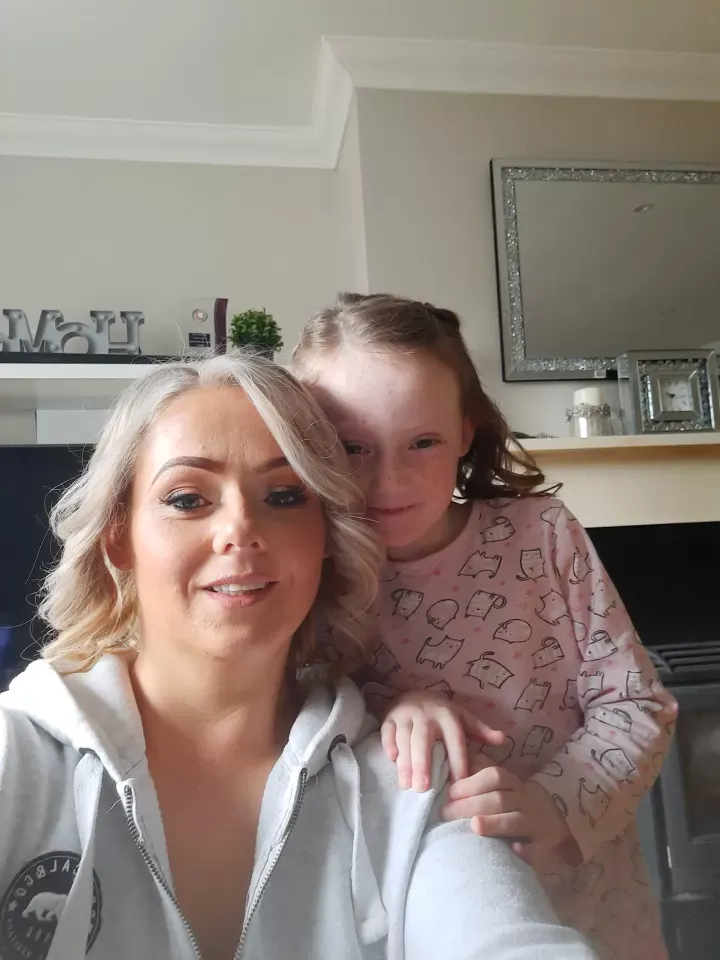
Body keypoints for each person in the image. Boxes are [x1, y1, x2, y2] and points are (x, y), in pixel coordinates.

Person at [0, 354, 597, 960]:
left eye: (284, 496)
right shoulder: (15, 755)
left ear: (326, 538)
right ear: (118, 539)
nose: (240, 529)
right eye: (187, 499)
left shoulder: (412, 782)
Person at [293, 293, 678, 960]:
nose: (389, 479)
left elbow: (636, 704)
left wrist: (555, 805)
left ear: (465, 434)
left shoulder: (542, 534)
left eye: (423, 442)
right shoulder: (305, 573)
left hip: (594, 902)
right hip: (422, 913)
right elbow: (297, 730)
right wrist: (387, 706)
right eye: (353, 447)